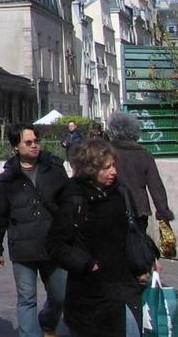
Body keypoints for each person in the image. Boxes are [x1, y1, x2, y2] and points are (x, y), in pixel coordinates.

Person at [48, 137, 157, 337]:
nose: (114, 172)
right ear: (90, 168)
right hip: (89, 295)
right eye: (106, 168)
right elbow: (55, 245)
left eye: (114, 166)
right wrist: (86, 263)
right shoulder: (74, 198)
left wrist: (147, 259)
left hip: (124, 289)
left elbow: (135, 231)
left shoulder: (121, 193)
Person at [0, 125, 69, 337]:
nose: (34, 146)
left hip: (54, 244)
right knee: (26, 298)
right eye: (28, 142)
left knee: (60, 294)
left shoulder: (54, 168)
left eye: (36, 141)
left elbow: (69, 202)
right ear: (16, 147)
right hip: (23, 248)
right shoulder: (7, 179)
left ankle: (48, 322)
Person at [106, 111, 174, 231]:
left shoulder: (106, 152)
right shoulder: (144, 155)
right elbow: (156, 187)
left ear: (113, 130)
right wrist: (163, 213)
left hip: (112, 206)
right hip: (139, 208)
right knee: (139, 245)